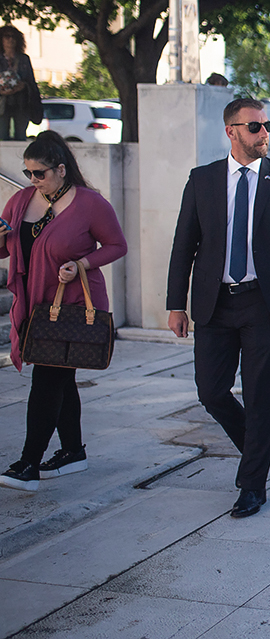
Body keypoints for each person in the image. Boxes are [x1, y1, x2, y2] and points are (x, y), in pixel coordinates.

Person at [166, 99, 270, 518]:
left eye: (267, 125)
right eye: (254, 126)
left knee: (259, 394)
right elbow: (184, 245)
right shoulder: (203, 180)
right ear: (231, 131)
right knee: (211, 392)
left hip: (262, 303)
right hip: (214, 303)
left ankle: (252, 484)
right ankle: (255, 448)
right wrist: (176, 304)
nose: (263, 133)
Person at [0, 132, 127, 491]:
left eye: (39, 173)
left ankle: (28, 463)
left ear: (60, 169)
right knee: (61, 377)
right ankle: (73, 451)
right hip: (34, 304)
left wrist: (81, 263)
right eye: (27, 173)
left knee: (47, 378)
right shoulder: (20, 201)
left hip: (71, 306)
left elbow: (117, 245)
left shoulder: (90, 203)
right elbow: (6, 251)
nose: (33, 180)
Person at [0, 26, 44, 142]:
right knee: (2, 135)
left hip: (21, 103)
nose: (10, 39)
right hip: (2, 104)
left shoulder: (24, 59)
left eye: (13, 37)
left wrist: (23, 86)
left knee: (20, 135)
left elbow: (31, 82)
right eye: (7, 36)